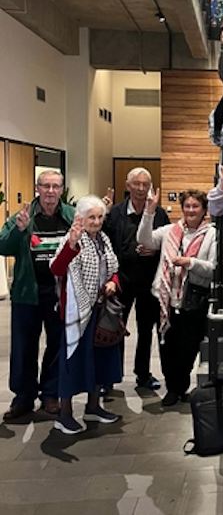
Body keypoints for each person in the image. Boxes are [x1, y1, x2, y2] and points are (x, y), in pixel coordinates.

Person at [0, 170, 74, 420]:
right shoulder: (23, 216)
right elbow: (2, 246)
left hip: (58, 294)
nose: (51, 192)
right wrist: (19, 231)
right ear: (37, 188)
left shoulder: (71, 216)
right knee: (23, 347)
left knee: (56, 345)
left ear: (62, 189)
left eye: (55, 186)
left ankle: (50, 395)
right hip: (26, 293)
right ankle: (23, 398)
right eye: (46, 186)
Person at [137, 189, 217, 406]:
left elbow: (213, 269)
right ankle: (173, 389)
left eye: (195, 206)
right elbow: (143, 240)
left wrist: (189, 263)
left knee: (188, 348)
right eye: (187, 206)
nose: (191, 210)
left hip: (193, 301)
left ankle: (181, 386)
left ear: (204, 210)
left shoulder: (212, 234)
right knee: (167, 346)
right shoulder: (170, 231)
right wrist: (149, 212)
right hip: (165, 300)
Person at [50, 196, 121, 434]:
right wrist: (71, 245)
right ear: (80, 218)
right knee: (73, 362)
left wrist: (112, 282)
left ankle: (93, 406)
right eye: (92, 217)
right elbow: (57, 269)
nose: (97, 222)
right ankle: (65, 414)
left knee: (99, 360)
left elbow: (114, 269)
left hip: (100, 310)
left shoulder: (103, 240)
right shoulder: (72, 239)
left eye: (100, 217)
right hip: (77, 312)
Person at [103, 167, 169, 392]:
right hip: (121, 281)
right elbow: (105, 244)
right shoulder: (115, 213)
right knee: (114, 329)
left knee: (146, 330)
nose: (141, 189)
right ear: (127, 185)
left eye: (145, 184)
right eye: (136, 184)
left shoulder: (158, 213)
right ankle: (111, 376)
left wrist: (155, 251)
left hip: (148, 281)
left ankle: (143, 374)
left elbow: (168, 244)